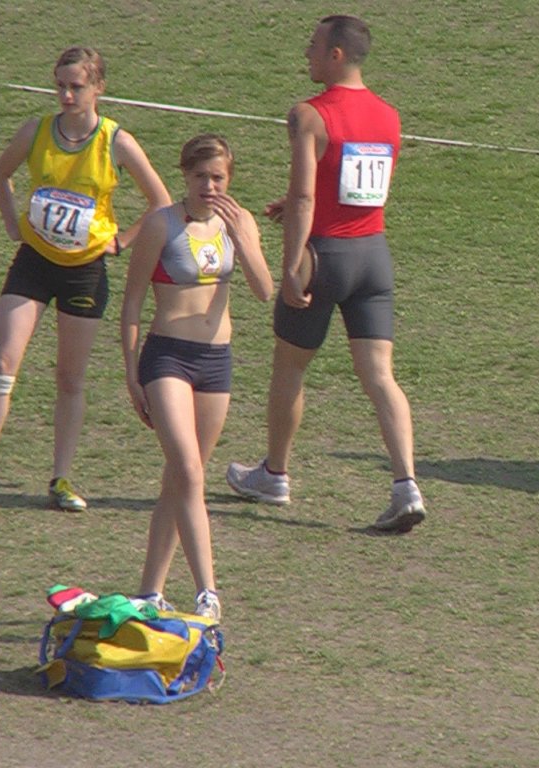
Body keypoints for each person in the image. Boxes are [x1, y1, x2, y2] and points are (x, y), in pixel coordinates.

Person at [225, 15, 427, 532]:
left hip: (326, 255)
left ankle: (274, 474)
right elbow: (357, 186)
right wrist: (299, 205)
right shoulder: (389, 116)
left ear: (336, 55)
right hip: (373, 255)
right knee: (380, 376)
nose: (307, 53)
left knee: (289, 366)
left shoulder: (308, 114)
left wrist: (292, 265)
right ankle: (406, 484)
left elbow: (305, 196)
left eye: (313, 45)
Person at [0, 47, 171, 511]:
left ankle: (61, 478)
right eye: (60, 86)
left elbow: (161, 202)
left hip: (85, 273)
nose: (67, 95)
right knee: (2, 362)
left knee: (70, 377)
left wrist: (121, 242)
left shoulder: (116, 142)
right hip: (34, 263)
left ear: (98, 88)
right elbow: (0, 175)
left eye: (76, 86)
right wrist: (13, 225)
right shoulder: (35, 131)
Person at [121, 134, 273, 619]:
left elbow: (264, 291)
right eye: (201, 176)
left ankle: (149, 590)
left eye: (218, 178)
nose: (209, 186)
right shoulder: (161, 225)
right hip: (167, 357)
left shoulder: (239, 222)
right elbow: (131, 304)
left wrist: (243, 240)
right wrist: (131, 373)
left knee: (181, 479)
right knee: (188, 471)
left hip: (216, 360)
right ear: (185, 175)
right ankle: (208, 590)